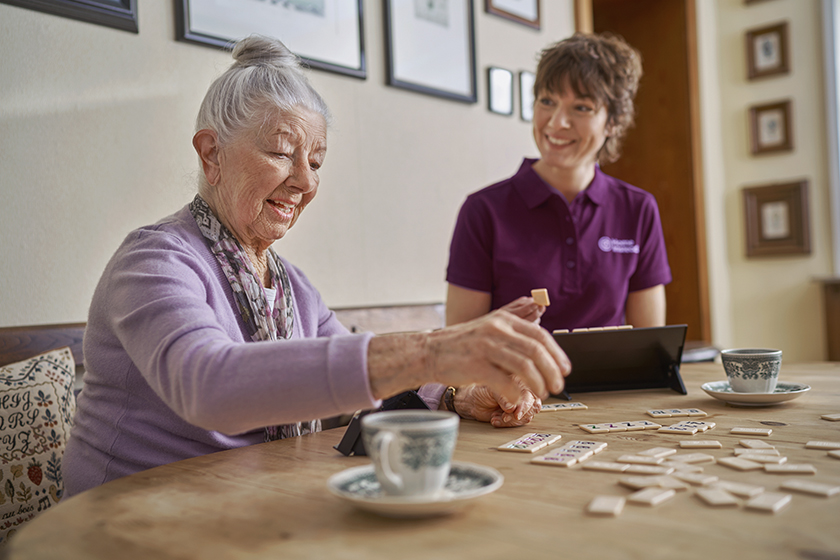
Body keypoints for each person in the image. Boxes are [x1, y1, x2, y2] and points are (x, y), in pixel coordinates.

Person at [62, 36, 571, 496]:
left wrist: (461, 395)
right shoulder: (152, 262)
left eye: (318, 162)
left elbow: (350, 368)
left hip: (241, 513)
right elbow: (209, 386)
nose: (305, 181)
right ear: (211, 154)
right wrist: (437, 350)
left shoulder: (291, 287)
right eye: (283, 153)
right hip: (126, 525)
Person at [445, 33, 672, 333]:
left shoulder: (638, 209)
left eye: (581, 107)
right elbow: (460, 348)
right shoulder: (483, 211)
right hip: (512, 381)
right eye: (547, 101)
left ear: (613, 121)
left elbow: (649, 344)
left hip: (611, 381)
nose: (556, 123)